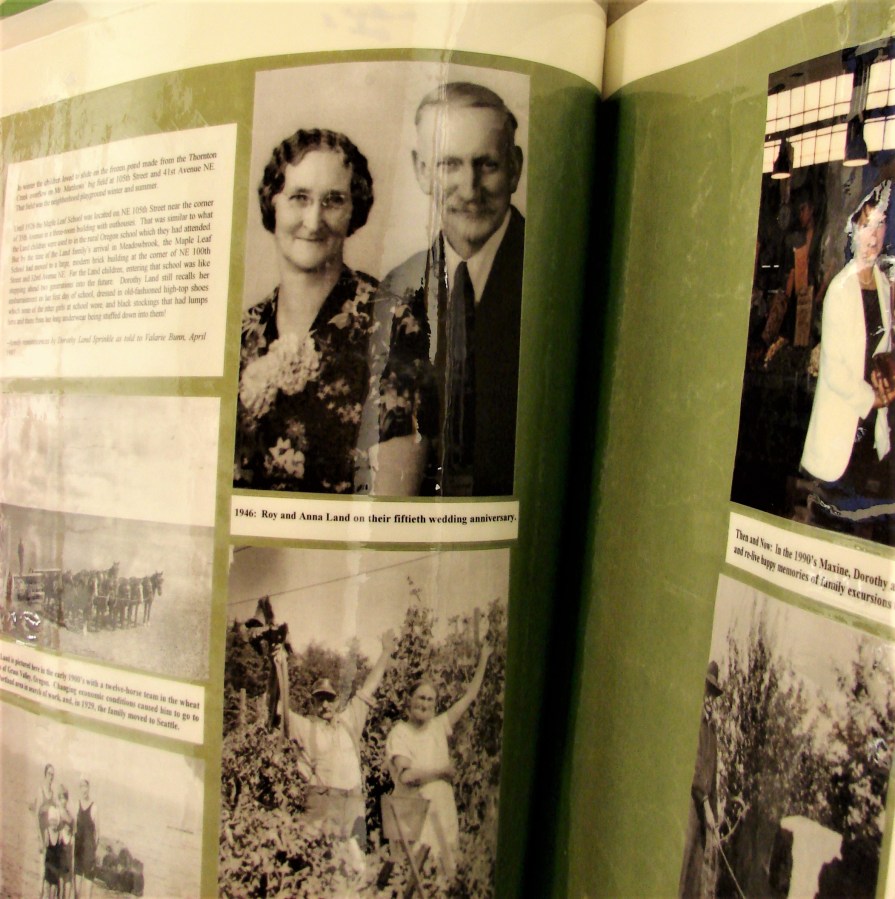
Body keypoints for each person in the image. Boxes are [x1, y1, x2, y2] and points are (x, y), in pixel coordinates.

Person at [362, 82, 525, 497]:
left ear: (515, 168)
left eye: (487, 164)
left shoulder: (545, 273)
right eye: (449, 164)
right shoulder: (398, 286)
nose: (469, 189)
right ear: (422, 171)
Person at [234, 128, 378, 493]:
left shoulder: (391, 323)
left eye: (333, 201)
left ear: (354, 210)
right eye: (299, 197)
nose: (314, 222)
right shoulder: (242, 333)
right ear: (273, 203)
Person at [801, 180, 895, 530]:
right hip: (841, 436)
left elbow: (881, 349)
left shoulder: (883, 285)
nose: (874, 235)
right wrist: (874, 398)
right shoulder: (839, 291)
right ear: (853, 230)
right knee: (831, 527)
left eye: (880, 224)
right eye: (867, 225)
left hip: (871, 433)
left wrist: (885, 375)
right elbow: (835, 371)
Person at [385, 638, 492, 876]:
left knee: (445, 871)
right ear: (409, 700)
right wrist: (441, 771)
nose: (425, 703)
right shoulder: (400, 733)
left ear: (435, 704)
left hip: (442, 810)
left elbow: (469, 696)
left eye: (430, 699)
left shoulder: (439, 725)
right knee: (417, 873)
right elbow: (406, 776)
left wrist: (484, 658)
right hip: (416, 814)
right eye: (420, 697)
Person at [283, 629, 396, 842]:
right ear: (313, 703)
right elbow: (278, 709)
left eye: (329, 699)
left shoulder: (350, 719)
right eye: (320, 700)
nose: (325, 705)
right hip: (323, 803)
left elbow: (369, 686)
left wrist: (386, 652)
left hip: (353, 801)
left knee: (354, 856)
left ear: (336, 701)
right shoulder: (306, 727)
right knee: (319, 855)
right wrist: (278, 662)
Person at [679, 661, 723, 899]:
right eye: (707, 690)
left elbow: (712, 780)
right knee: (683, 870)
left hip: (702, 819)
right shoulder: (693, 724)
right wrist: (706, 806)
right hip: (691, 810)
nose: (709, 698)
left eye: (713, 694)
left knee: (695, 882)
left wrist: (714, 816)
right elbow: (694, 770)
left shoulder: (712, 733)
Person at [74, 778, 99, 899]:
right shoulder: (76, 805)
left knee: (87, 893)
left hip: (89, 853)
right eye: (82, 787)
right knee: (76, 892)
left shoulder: (94, 807)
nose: (84, 789)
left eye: (86, 787)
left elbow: (98, 833)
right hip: (78, 851)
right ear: (80, 789)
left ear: (89, 788)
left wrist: (94, 852)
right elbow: (73, 827)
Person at [36, 763, 55, 852]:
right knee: (41, 858)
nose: (51, 777)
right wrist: (39, 837)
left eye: (52, 775)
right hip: (41, 831)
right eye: (49, 774)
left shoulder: (53, 794)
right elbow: (36, 815)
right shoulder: (41, 791)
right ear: (45, 774)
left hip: (48, 834)